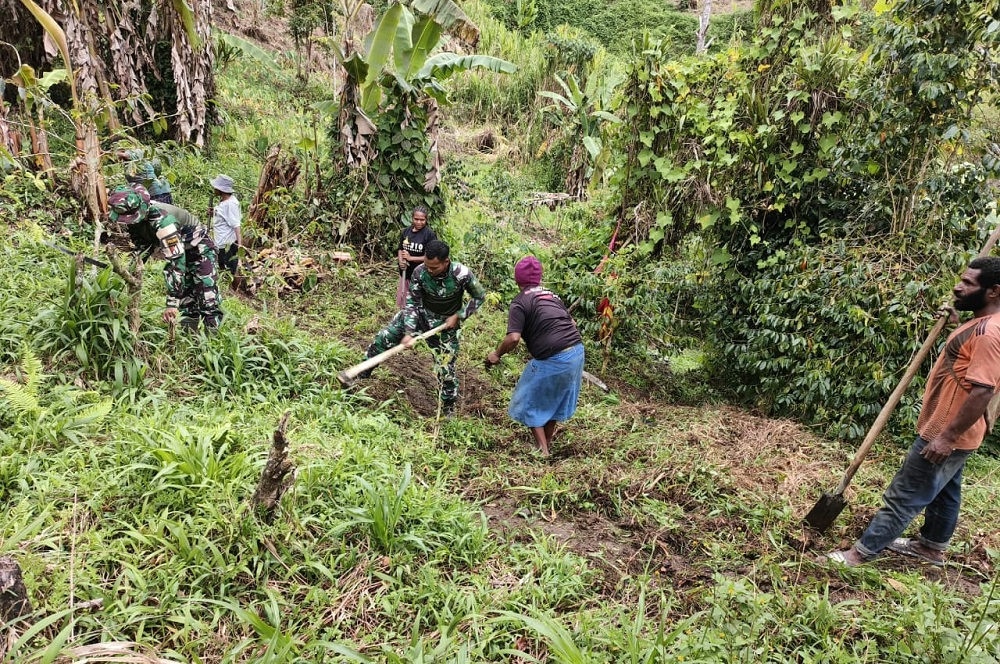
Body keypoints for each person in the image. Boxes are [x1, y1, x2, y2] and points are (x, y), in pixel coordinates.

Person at [826, 257, 1000, 567]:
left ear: (994, 291)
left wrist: (946, 438)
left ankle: (860, 553)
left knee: (905, 493)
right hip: (962, 431)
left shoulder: (989, 333)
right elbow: (969, 357)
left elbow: (982, 390)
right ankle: (930, 547)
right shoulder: (982, 323)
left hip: (948, 429)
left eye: (968, 283)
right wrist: (954, 325)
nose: (958, 287)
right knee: (945, 490)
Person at [360, 240, 486, 416]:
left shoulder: (461, 274)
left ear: (446, 262)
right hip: (420, 315)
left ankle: (448, 407)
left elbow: (480, 296)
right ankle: (361, 375)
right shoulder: (420, 272)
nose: (429, 270)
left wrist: (459, 315)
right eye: (427, 265)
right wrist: (409, 331)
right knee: (384, 337)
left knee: (446, 368)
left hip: (445, 326)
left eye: (434, 267)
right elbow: (412, 302)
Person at [485, 256, 585, 456]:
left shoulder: (520, 302)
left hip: (554, 358)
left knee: (528, 398)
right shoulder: (552, 295)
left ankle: (542, 450)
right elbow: (572, 324)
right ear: (539, 278)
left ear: (517, 279)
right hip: (577, 352)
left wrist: (496, 354)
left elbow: (513, 338)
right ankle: (546, 444)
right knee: (554, 399)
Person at [107, 184, 223, 331]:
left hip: (199, 248)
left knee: (207, 298)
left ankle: (213, 338)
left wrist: (171, 303)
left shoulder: (163, 221)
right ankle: (190, 337)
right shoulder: (136, 222)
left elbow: (176, 260)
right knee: (187, 303)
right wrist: (128, 270)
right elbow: (142, 247)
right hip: (180, 249)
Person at [396, 206, 437, 309]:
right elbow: (400, 249)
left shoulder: (430, 235)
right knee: (404, 302)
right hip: (406, 274)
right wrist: (401, 262)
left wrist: (411, 258)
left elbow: (431, 257)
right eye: (416, 219)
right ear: (412, 218)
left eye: (422, 220)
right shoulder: (406, 232)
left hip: (421, 276)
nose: (419, 222)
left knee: (418, 304)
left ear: (426, 219)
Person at [209, 174, 242, 276]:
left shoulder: (230, 204)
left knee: (227, 271)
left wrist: (240, 246)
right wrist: (214, 212)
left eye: (216, 187)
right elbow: (224, 216)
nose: (214, 189)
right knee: (222, 269)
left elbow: (236, 225)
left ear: (221, 190)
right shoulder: (224, 201)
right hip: (220, 243)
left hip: (226, 246)